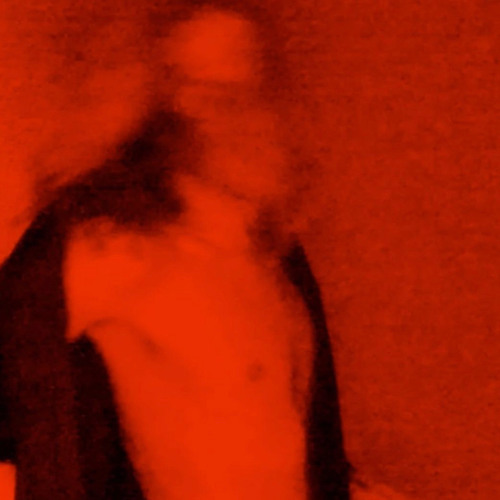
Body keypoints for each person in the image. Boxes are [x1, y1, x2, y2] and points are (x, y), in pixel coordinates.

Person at [0, 4, 406, 500]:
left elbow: (296, 448)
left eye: (247, 80)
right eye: (207, 91)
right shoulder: (117, 250)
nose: (235, 115)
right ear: (160, 104)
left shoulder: (279, 259)